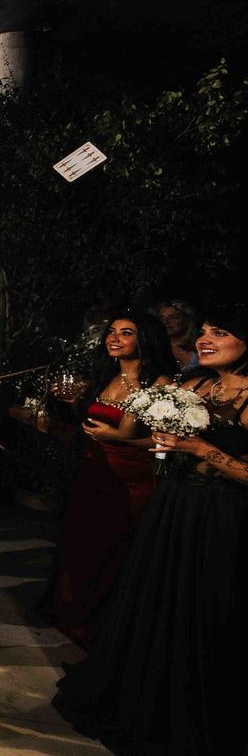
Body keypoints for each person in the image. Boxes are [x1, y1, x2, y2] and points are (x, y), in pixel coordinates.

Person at [54, 309, 248, 755]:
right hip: (175, 507)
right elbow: (157, 438)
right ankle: (146, 698)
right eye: (204, 331)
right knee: (160, 601)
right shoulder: (195, 387)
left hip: (222, 518)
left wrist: (200, 448)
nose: (204, 339)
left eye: (219, 333)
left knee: (207, 610)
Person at [43, 312, 174, 646]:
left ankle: (99, 624)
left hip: (130, 477)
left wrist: (118, 438)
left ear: (145, 339)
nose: (114, 338)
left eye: (126, 333)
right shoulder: (107, 375)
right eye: (111, 332)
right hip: (93, 470)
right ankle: (70, 611)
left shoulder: (161, 384)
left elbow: (166, 440)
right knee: (81, 542)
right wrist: (76, 404)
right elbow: (92, 425)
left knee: (113, 546)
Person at [152, 299, 199, 373]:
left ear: (187, 319)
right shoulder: (154, 349)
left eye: (173, 317)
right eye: (161, 318)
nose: (165, 321)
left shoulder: (200, 345)